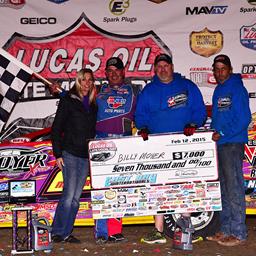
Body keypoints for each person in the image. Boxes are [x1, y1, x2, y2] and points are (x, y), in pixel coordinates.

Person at [135, 53, 206, 244]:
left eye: (166, 66)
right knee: (157, 187)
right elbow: (140, 115)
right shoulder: (148, 91)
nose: (162, 69)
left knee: (185, 184)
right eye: (159, 66)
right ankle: (157, 230)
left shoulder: (187, 86)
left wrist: (194, 123)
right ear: (155, 69)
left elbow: (200, 111)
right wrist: (143, 128)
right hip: (157, 145)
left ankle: (186, 226)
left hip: (183, 143)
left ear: (172, 67)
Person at [206, 54, 251, 246]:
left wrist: (222, 132)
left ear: (230, 70)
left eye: (222, 68)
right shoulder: (218, 90)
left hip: (232, 143)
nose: (219, 72)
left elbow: (244, 119)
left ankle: (239, 232)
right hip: (221, 144)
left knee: (233, 189)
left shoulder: (237, 89)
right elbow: (217, 119)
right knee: (223, 189)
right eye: (216, 69)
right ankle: (225, 229)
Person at [94, 56, 139, 244]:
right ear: (106, 73)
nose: (113, 74)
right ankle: (101, 232)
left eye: (117, 70)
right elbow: (76, 101)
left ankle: (114, 230)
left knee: (120, 187)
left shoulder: (134, 91)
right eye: (109, 71)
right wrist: (61, 93)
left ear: (123, 72)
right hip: (100, 140)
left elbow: (144, 113)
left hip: (124, 141)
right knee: (101, 187)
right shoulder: (97, 91)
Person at [51, 68, 97, 243]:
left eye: (90, 80)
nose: (87, 83)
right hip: (69, 154)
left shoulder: (93, 104)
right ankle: (57, 231)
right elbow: (56, 128)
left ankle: (66, 232)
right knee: (68, 196)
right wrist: (57, 154)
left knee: (76, 199)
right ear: (78, 81)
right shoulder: (68, 101)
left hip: (86, 157)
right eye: (83, 79)